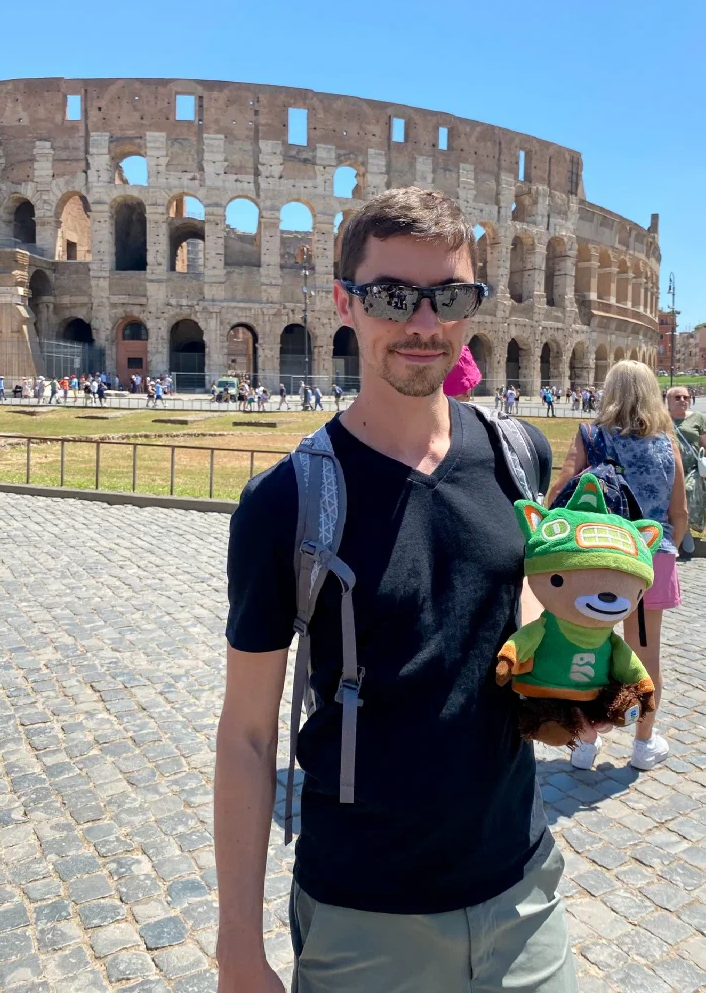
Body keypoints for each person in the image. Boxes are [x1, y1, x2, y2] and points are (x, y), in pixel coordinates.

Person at [216, 187, 576, 993]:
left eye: (448, 296)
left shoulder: (520, 457)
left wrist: (574, 656)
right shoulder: (284, 505)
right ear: (345, 301)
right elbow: (246, 735)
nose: (422, 323)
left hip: (524, 894)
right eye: (391, 295)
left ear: (473, 305)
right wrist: (237, 944)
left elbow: (512, 605)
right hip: (365, 920)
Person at [547, 361, 688, 773]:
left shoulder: (592, 435)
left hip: (600, 556)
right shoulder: (668, 440)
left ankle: (585, 741)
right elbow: (679, 513)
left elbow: (561, 492)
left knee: (585, 651)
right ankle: (644, 742)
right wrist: (663, 553)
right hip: (652, 555)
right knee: (646, 657)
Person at [667, 386, 706, 557]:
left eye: (685, 397)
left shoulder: (698, 418)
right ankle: (674, 534)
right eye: (677, 397)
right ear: (668, 401)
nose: (682, 401)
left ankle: (685, 531)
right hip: (669, 467)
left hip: (691, 468)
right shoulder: (662, 419)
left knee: (686, 492)